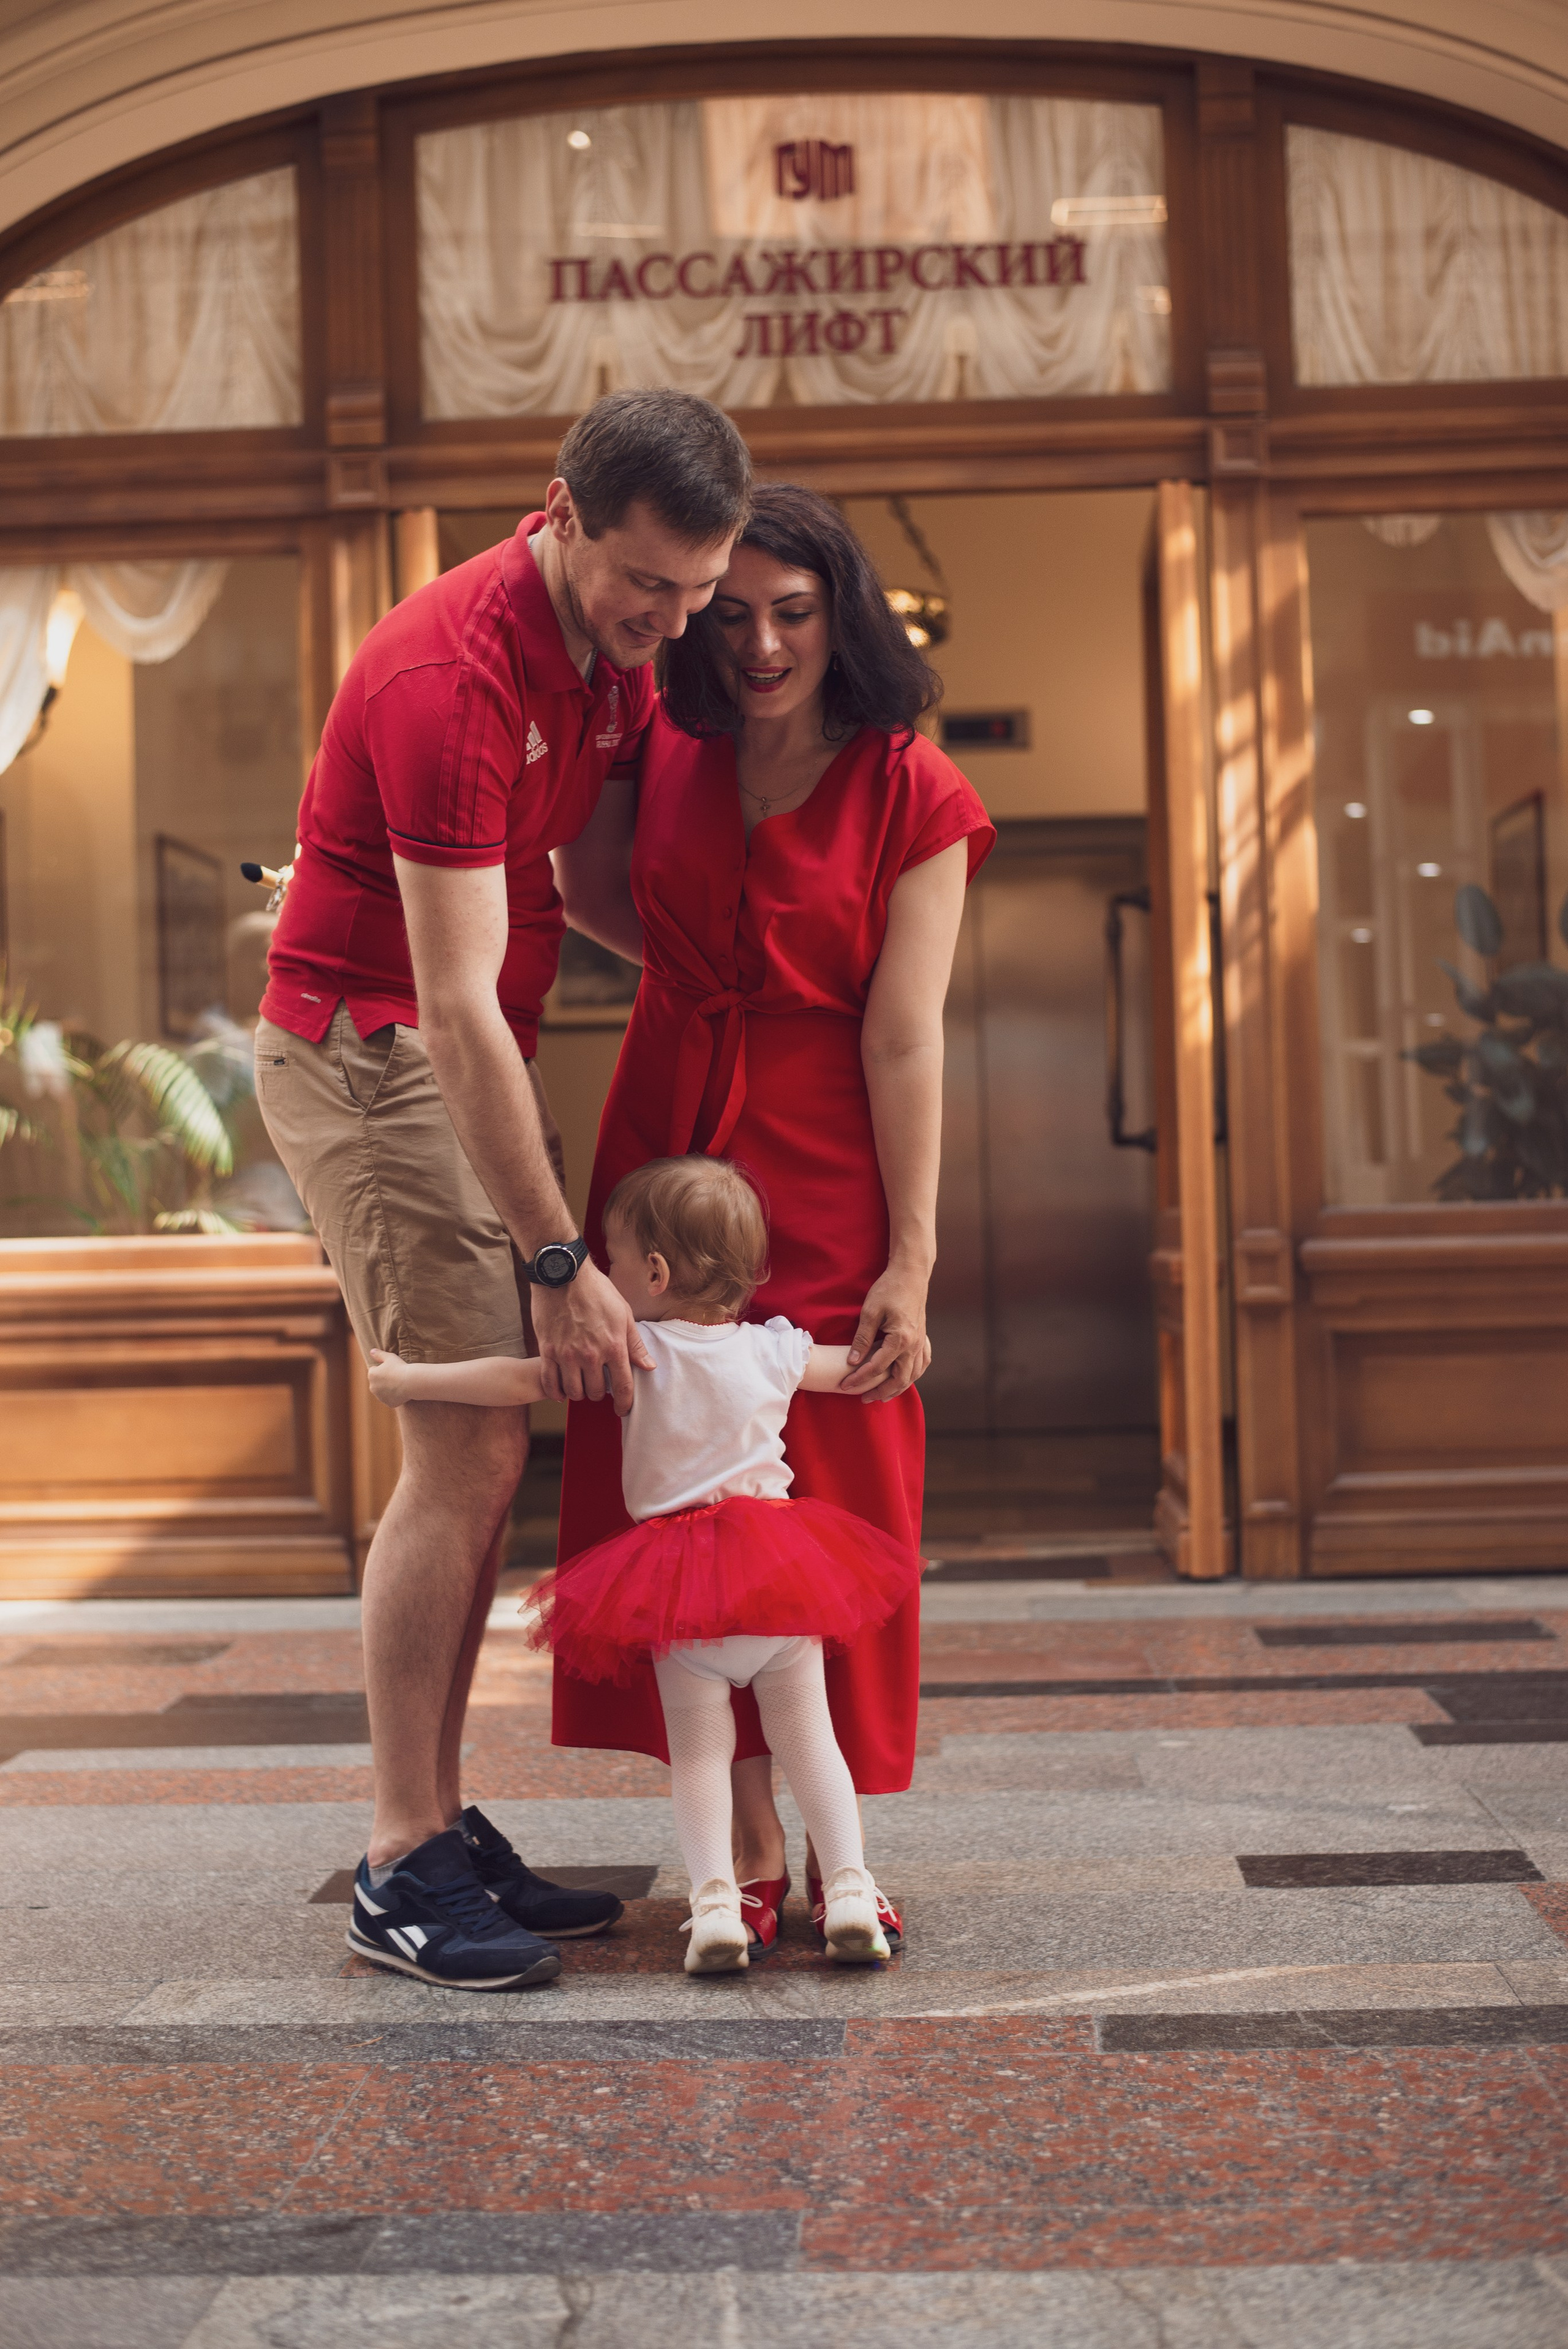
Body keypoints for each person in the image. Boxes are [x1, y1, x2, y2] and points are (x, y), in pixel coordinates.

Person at [254, 390, 752, 1992]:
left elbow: (596, 888)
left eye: (697, 592)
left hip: (452, 1056)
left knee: (492, 1437)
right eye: (647, 587)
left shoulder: (612, 659)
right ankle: (400, 1859)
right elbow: (456, 998)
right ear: (560, 511)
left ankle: (444, 1818)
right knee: (466, 1435)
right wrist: (553, 1252)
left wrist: (750, 985)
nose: (670, 624)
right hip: (367, 1051)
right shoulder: (447, 673)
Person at [553, 484, 995, 1956]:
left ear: (840, 614)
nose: (756, 643)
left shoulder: (911, 783)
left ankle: (836, 1845)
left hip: (827, 1145)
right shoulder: (657, 738)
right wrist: (699, 967)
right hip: (670, 1126)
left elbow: (906, 1034)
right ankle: (735, 1838)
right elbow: (590, 887)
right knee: (669, 1461)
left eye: (790, 613)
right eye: (729, 611)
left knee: (839, 1468)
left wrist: (912, 1257)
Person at [371, 1156, 921, 1972]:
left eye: (614, 1260)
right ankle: (847, 1888)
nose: (608, 1275)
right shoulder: (773, 1351)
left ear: (654, 1274)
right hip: (780, 1575)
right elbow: (857, 1375)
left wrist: (411, 1378)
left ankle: (715, 1913)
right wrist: (906, 1351)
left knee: (702, 1756)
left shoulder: (635, 1354)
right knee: (812, 1742)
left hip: (682, 1588)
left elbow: (518, 1382)